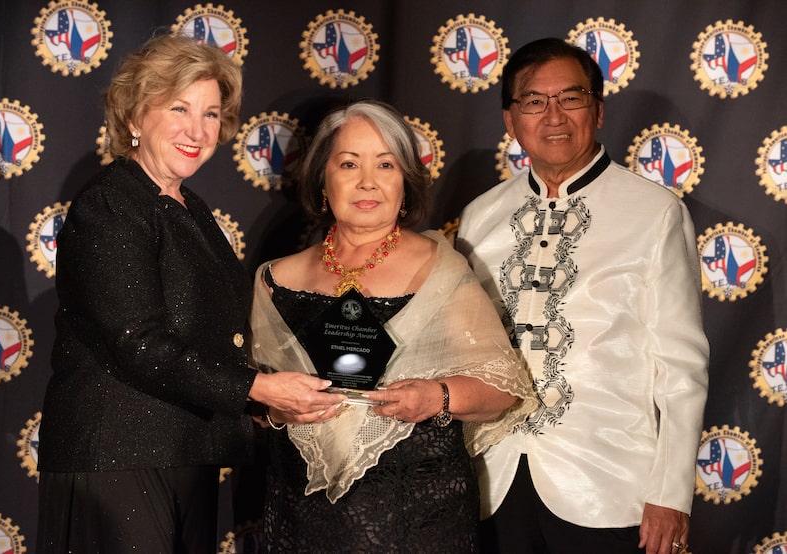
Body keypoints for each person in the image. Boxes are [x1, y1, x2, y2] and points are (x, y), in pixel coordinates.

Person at [36, 34, 342, 553]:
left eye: (211, 114)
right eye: (179, 108)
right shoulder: (112, 205)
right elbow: (139, 342)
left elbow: (208, 339)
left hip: (185, 447)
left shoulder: (188, 207)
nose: (197, 130)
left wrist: (262, 405)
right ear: (134, 117)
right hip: (117, 456)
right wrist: (258, 390)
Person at [456, 37, 710, 554]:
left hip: (609, 487)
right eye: (534, 101)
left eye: (570, 98)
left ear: (597, 110)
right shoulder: (480, 217)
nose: (553, 116)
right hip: (492, 481)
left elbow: (681, 369)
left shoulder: (654, 213)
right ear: (511, 120)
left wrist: (671, 494)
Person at [248, 98, 536, 552]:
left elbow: (502, 389)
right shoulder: (274, 280)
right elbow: (253, 398)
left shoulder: (443, 271)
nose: (367, 181)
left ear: (405, 182)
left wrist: (435, 397)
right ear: (324, 179)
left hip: (420, 517)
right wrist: (274, 411)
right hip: (303, 513)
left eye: (385, 164)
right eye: (348, 164)